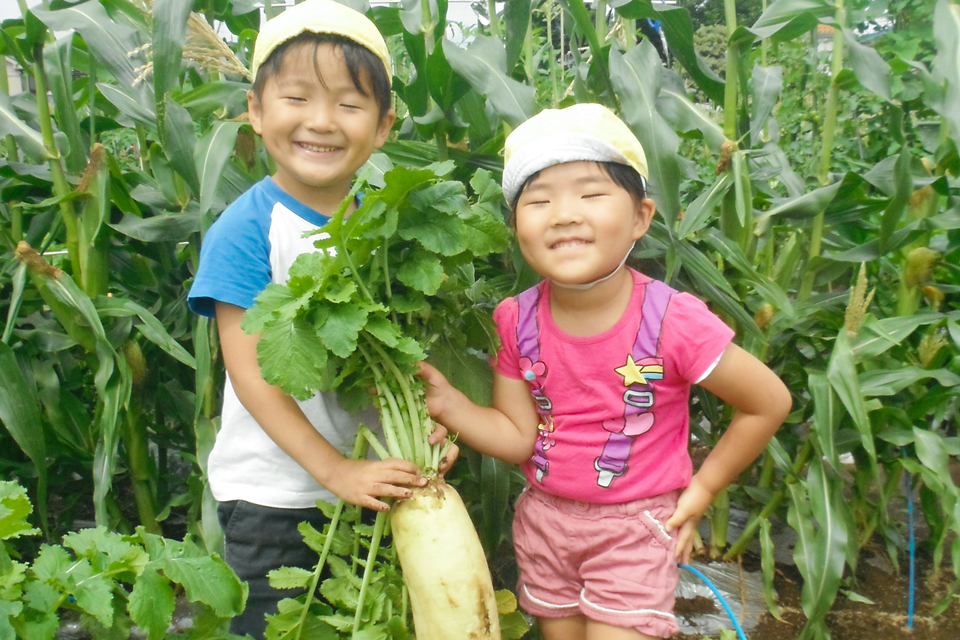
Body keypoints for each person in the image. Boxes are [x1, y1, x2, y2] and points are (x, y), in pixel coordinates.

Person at [419, 103, 792, 640]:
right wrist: (453, 405)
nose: (564, 213)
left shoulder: (672, 320)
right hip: (545, 524)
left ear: (641, 217)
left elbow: (768, 402)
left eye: (591, 194)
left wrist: (703, 490)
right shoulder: (515, 319)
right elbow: (520, 437)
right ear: (515, 224)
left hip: (636, 531)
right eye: (539, 200)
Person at [188, 2, 447, 637]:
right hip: (276, 497)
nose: (322, 122)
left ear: (383, 126)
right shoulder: (247, 230)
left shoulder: (390, 222)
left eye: (349, 105)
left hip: (382, 485)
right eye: (297, 98)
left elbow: (402, 351)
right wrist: (334, 469)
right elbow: (253, 374)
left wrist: (430, 427)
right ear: (256, 111)